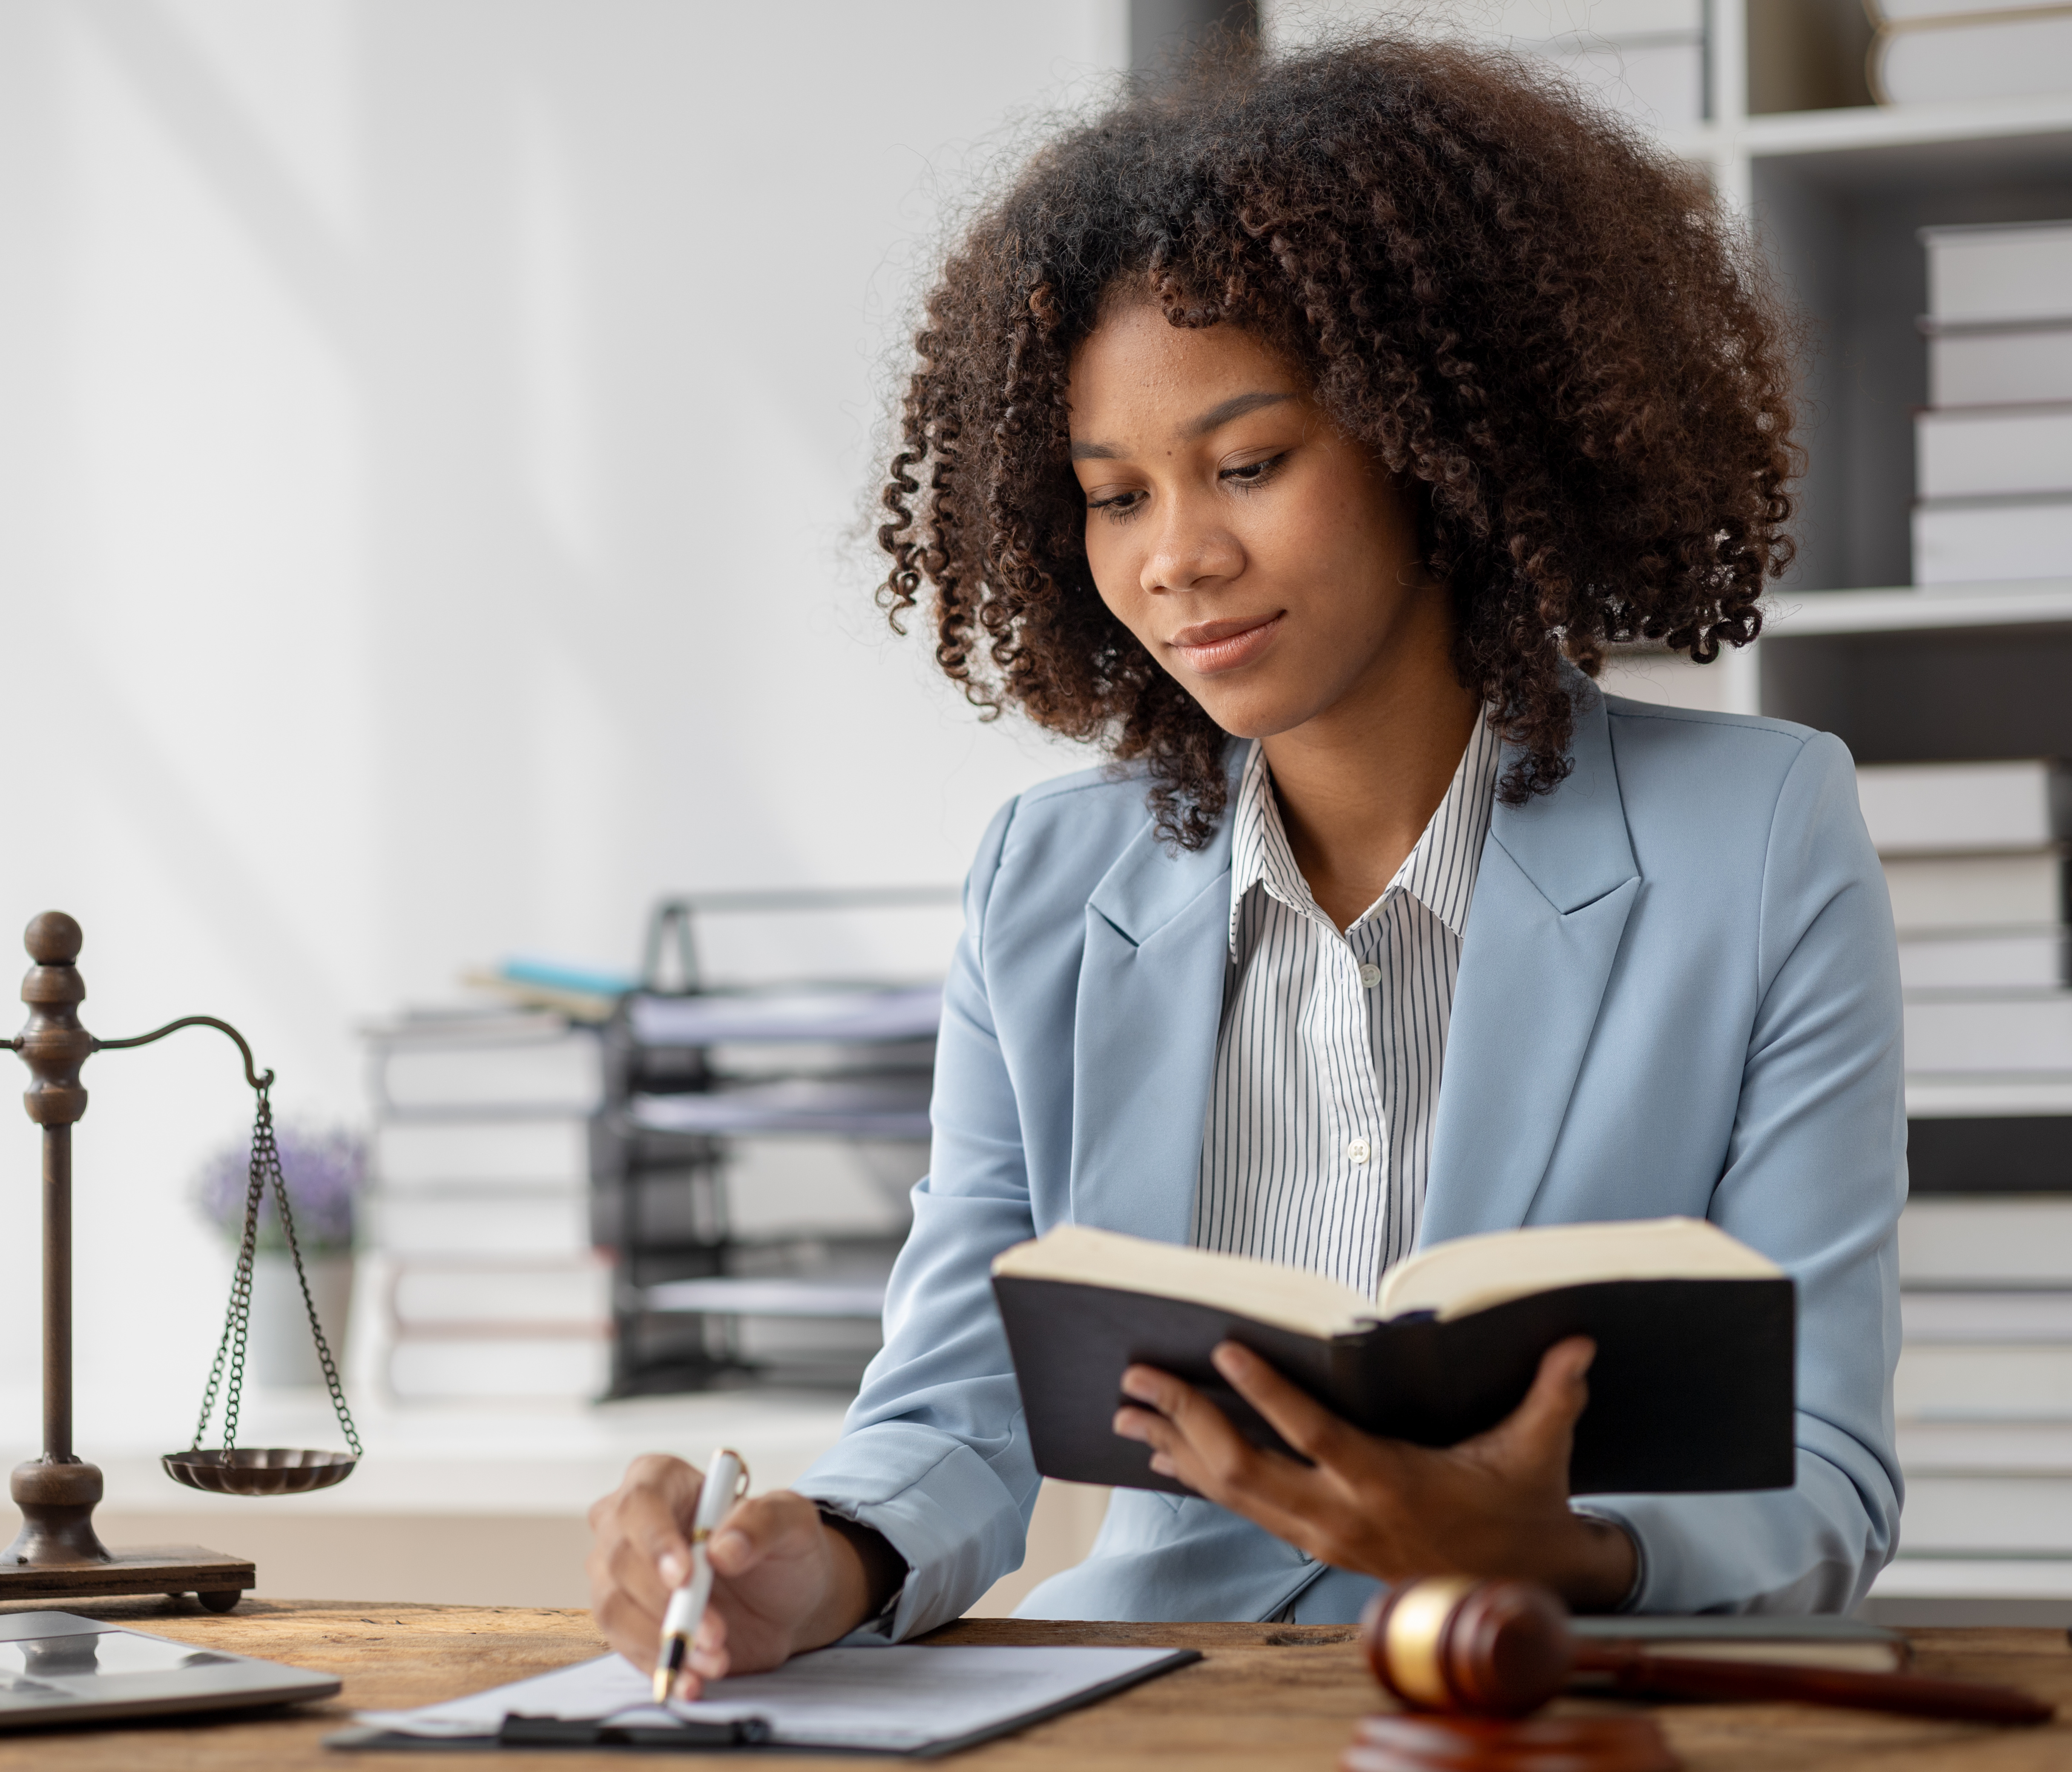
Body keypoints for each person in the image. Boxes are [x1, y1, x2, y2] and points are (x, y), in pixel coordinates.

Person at [588, 35, 1902, 1691]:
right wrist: (823, 1555)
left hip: (1537, 1692)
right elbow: (952, 1411)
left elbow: (1829, 1478)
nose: (1177, 560)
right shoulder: (1047, 882)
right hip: (1147, 1696)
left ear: (1443, 437)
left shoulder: (1762, 835)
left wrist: (1545, 1541)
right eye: (1112, 494)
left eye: (1250, 464)